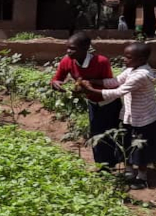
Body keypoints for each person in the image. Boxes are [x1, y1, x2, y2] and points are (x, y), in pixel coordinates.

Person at [77, 42, 156, 190]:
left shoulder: (142, 75)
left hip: (145, 119)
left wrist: (91, 90)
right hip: (130, 116)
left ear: (141, 58)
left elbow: (119, 91)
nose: (124, 59)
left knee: (140, 149)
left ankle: (142, 177)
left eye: (128, 57)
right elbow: (116, 81)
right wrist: (95, 81)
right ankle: (129, 172)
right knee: (127, 144)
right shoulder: (132, 69)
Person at [51, 33, 122, 169]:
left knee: (112, 133)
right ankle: (104, 166)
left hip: (109, 102)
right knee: (97, 134)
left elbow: (109, 84)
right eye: (67, 48)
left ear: (85, 48)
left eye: (72, 48)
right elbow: (57, 78)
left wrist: (87, 87)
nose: (68, 51)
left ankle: (114, 164)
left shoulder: (101, 61)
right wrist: (56, 84)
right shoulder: (67, 61)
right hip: (93, 102)